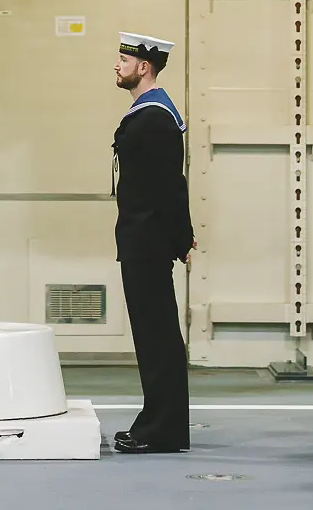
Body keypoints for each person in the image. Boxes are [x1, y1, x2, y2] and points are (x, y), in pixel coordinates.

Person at [110, 30, 194, 456]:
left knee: (157, 334)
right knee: (153, 333)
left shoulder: (155, 117)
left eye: (124, 60)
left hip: (149, 241)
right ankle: (160, 423)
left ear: (144, 67)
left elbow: (169, 187)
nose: (116, 65)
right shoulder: (147, 114)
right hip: (143, 238)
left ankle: (161, 428)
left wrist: (181, 239)